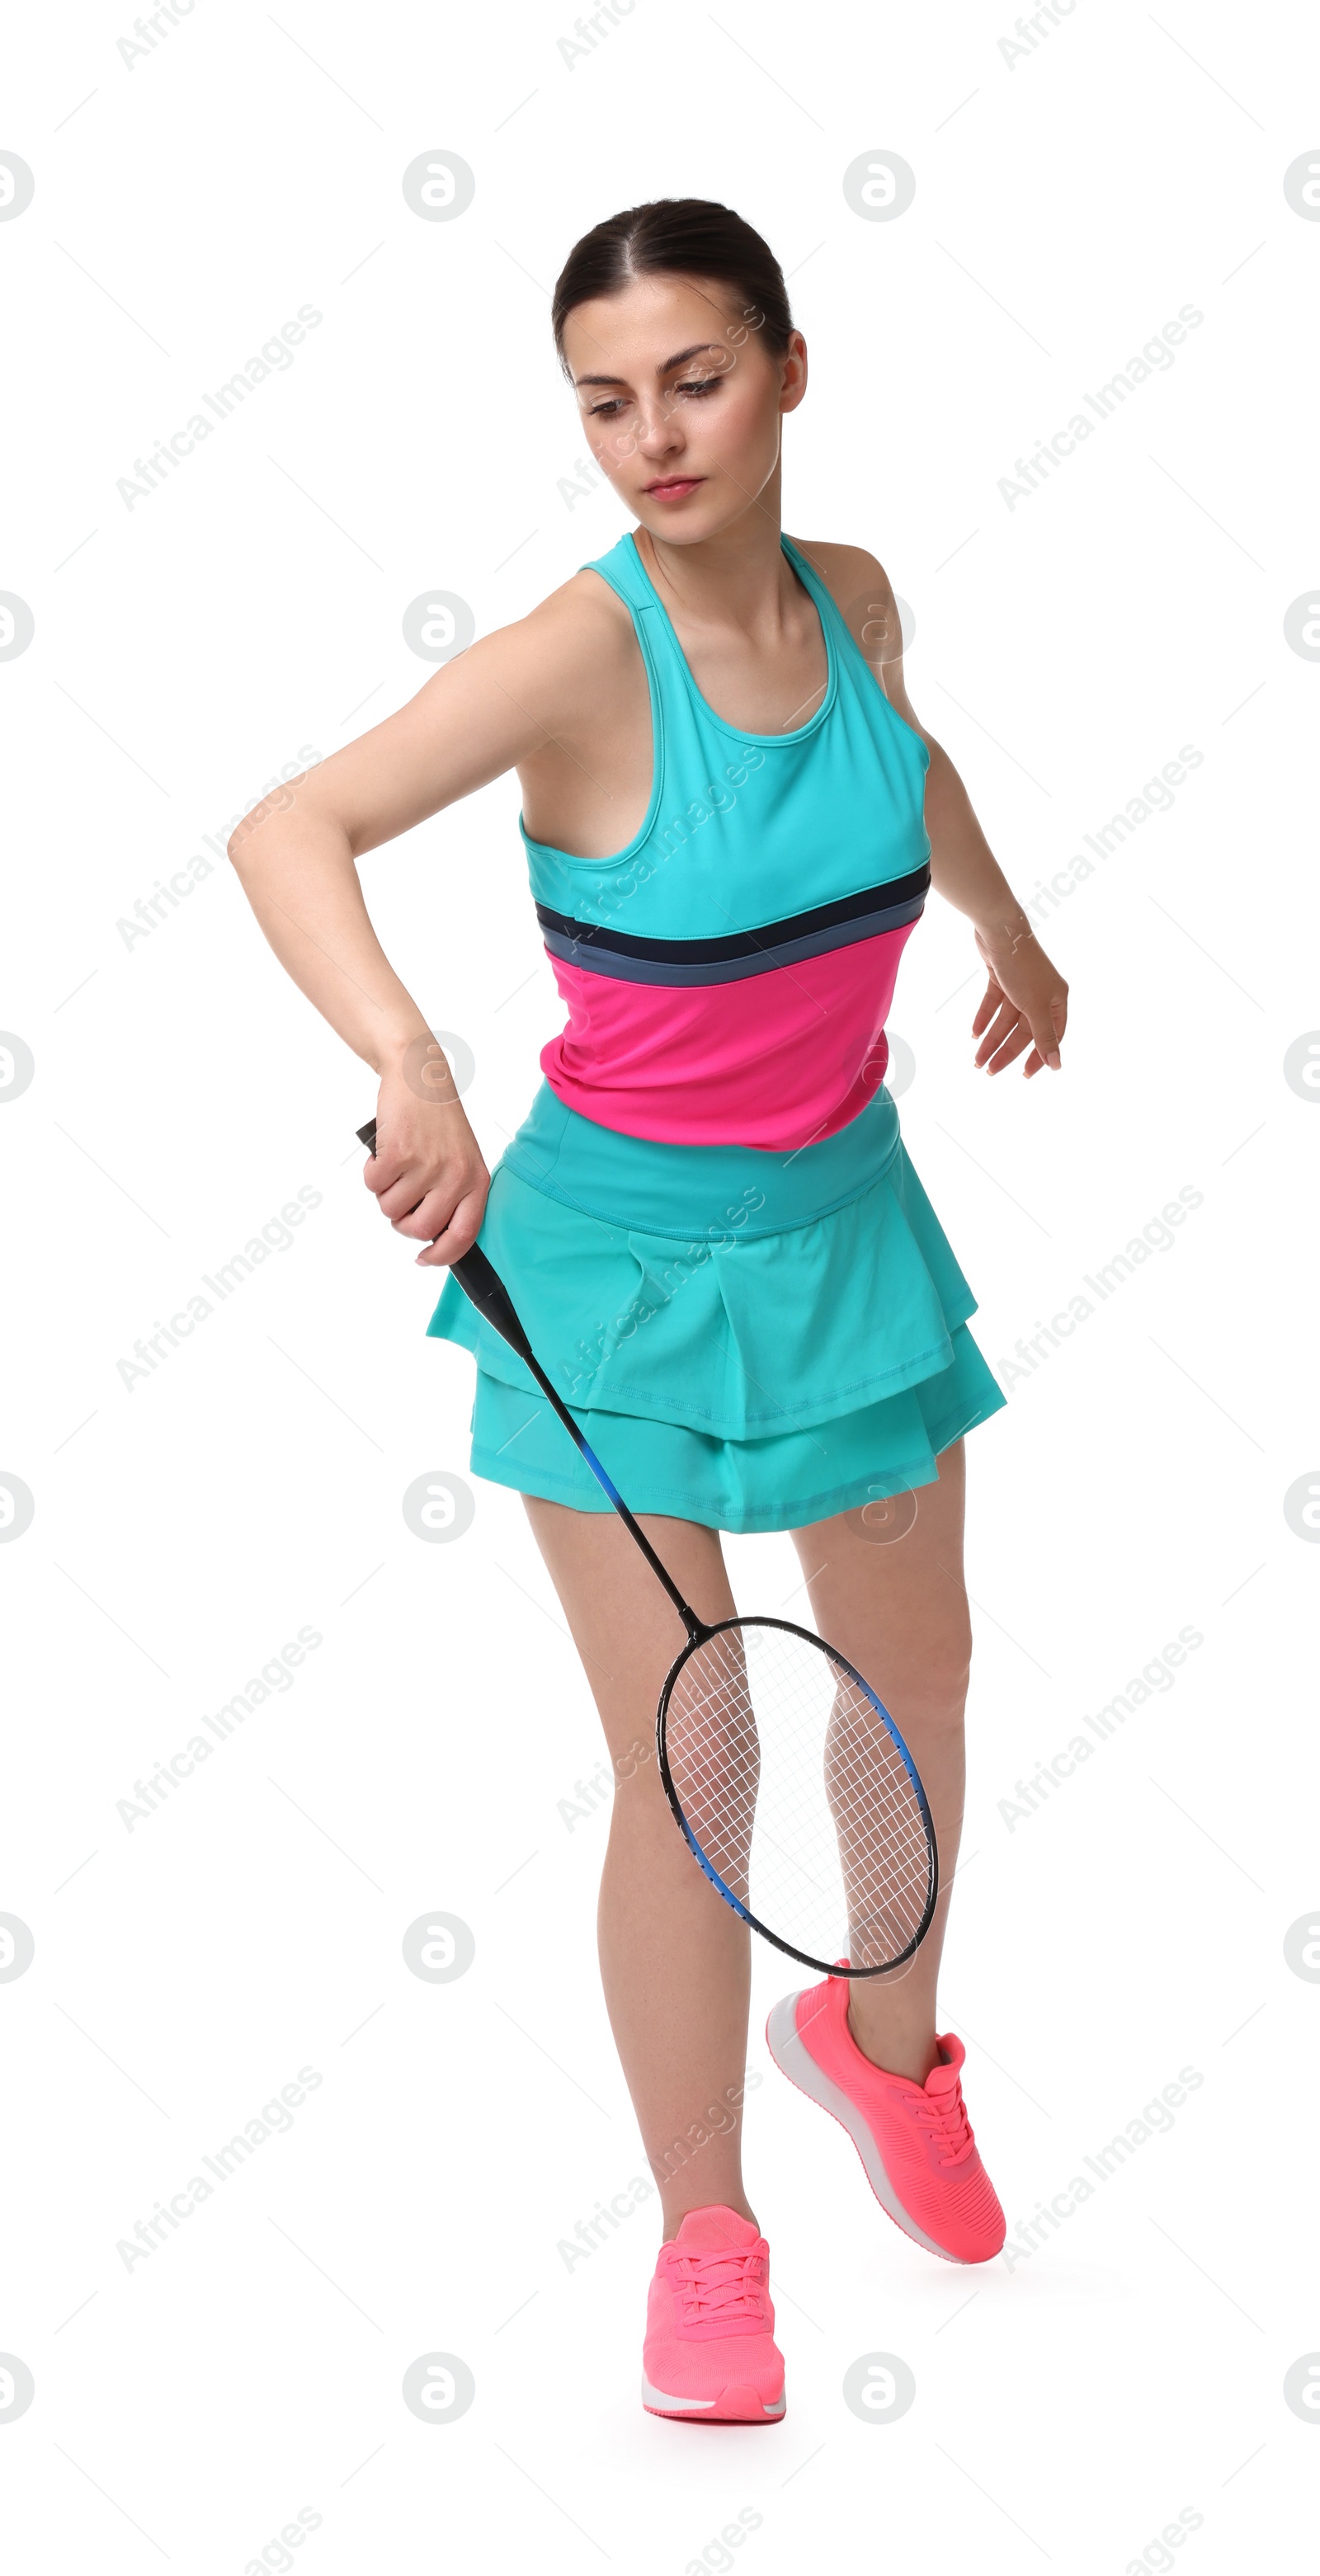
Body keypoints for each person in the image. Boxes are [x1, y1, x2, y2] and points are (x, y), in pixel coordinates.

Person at [228, 197, 1068, 2427]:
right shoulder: (575, 660)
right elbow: (290, 825)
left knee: (917, 1687)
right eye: (605, 400)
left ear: (792, 368)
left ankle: (886, 2058)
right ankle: (709, 2237)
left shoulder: (858, 592)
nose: (650, 436)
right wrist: (411, 1059)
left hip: (848, 1234)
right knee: (698, 1745)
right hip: (606, 1268)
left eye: (693, 379)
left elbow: (911, 767)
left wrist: (1008, 932)